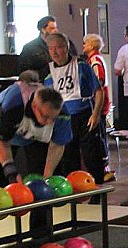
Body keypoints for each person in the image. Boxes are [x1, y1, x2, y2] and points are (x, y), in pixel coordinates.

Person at [0, 79, 71, 243]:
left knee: (42, 188)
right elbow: (1, 143)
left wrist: (46, 177)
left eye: (52, 118)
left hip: (36, 140)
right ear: (34, 106)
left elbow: (57, 146)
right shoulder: (12, 105)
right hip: (5, 138)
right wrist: (11, 172)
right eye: (45, 117)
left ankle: (40, 234)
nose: (49, 122)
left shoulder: (62, 114)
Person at [44, 33, 105, 187]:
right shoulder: (47, 75)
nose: (55, 52)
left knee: (91, 156)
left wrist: (96, 114)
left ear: (67, 48)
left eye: (58, 47)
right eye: (51, 49)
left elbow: (98, 91)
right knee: (68, 159)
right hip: (63, 120)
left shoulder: (81, 66)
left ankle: (96, 190)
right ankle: (72, 190)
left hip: (84, 116)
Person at [83, 33, 113, 183]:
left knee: (98, 137)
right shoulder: (97, 59)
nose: (83, 46)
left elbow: (98, 82)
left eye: (85, 43)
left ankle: (103, 169)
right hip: (101, 104)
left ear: (91, 45)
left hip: (98, 105)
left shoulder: (94, 61)